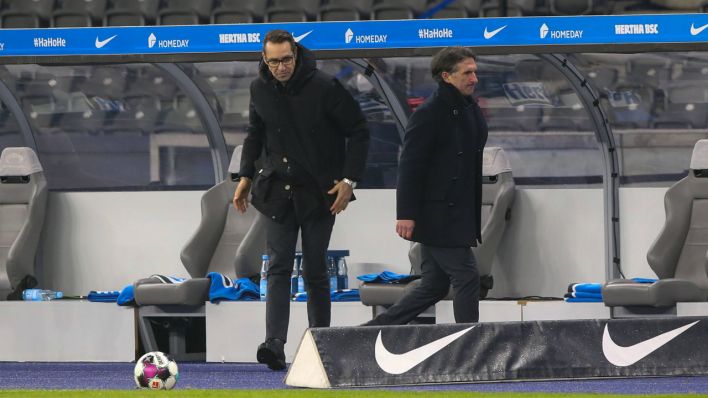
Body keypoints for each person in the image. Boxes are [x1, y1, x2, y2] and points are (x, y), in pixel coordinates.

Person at [233, 30, 369, 370]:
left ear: (296, 54)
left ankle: (319, 342)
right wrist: (245, 177)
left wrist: (349, 181)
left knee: (314, 269)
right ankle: (274, 344)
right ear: (264, 59)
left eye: (286, 59)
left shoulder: (325, 86)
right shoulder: (258, 89)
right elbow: (255, 134)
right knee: (277, 267)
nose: (281, 67)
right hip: (277, 190)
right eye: (274, 61)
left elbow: (359, 131)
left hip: (319, 192)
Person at [364, 47, 487, 326]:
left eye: (475, 71)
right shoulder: (430, 112)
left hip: (458, 212)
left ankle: (371, 331)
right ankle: (469, 344)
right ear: (446, 76)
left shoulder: (469, 106)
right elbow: (410, 165)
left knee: (433, 285)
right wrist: (405, 213)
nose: (474, 78)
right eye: (467, 72)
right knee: (467, 277)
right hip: (439, 214)